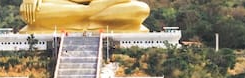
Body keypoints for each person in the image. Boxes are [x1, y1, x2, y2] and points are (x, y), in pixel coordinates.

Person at [19, 0, 150, 33]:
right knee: (33, 13)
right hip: (61, 5)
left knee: (140, 9)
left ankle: (88, 15)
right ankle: (90, 14)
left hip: (105, 6)